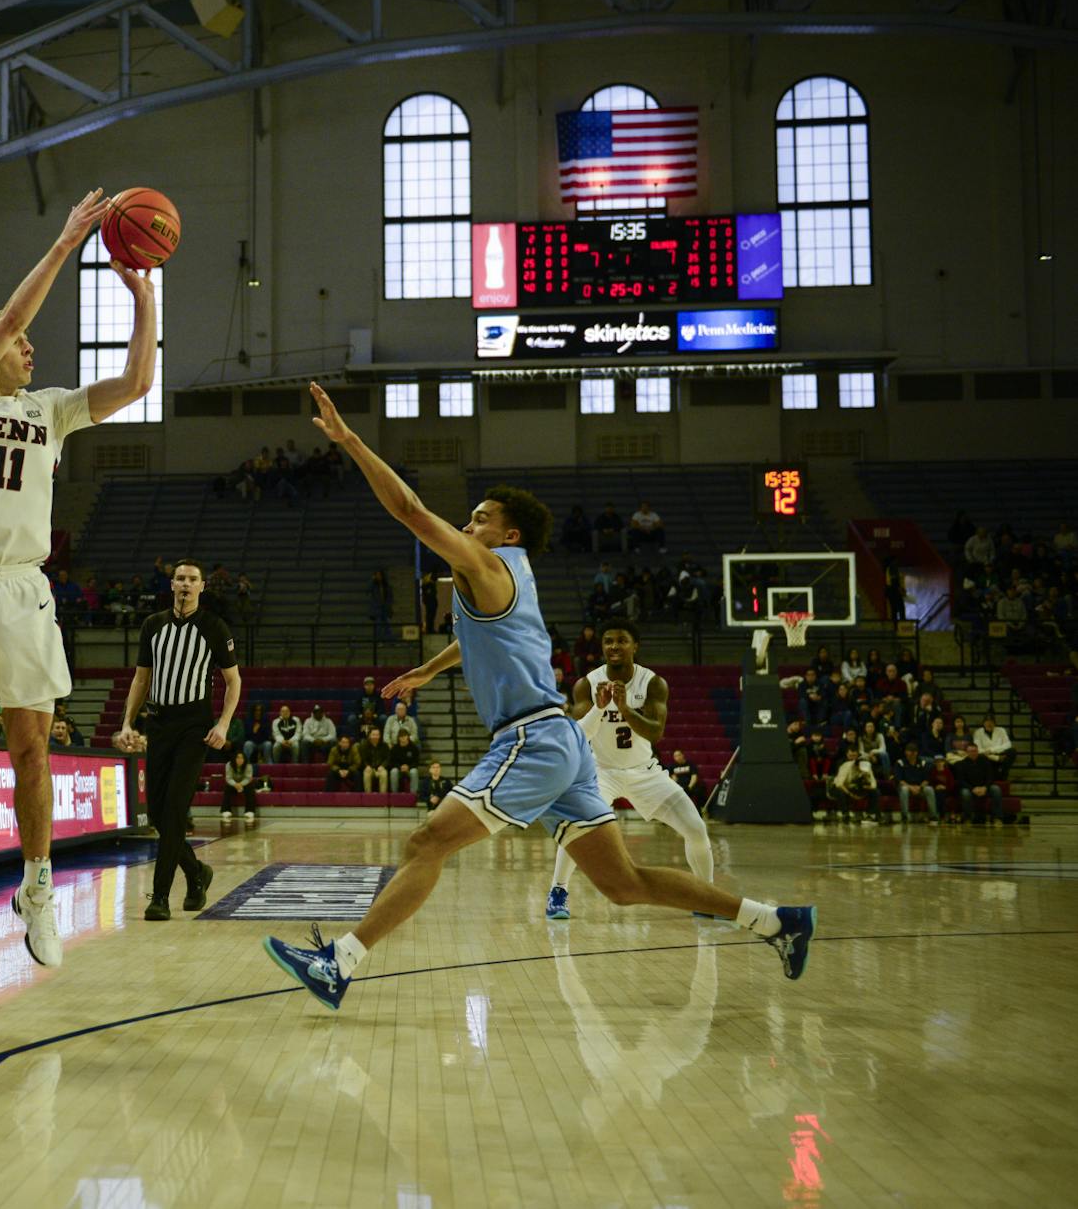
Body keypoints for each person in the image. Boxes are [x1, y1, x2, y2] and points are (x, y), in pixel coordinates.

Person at [262, 386, 815, 1011]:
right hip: (566, 743)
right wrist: (430, 668)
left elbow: (413, 512)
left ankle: (339, 962)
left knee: (427, 843)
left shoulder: (489, 564)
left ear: (508, 532)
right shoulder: (514, 578)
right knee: (624, 884)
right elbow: (494, 640)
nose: (469, 525)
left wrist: (351, 442)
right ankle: (776, 921)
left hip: (532, 738)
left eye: (479, 517)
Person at [0, 188, 157, 978]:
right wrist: (65, 244)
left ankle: (37, 889)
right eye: (21, 346)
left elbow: (136, 383)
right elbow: (11, 321)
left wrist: (144, 298)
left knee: (32, 747)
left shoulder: (50, 409)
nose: (31, 353)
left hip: (22, 588)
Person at [541, 621, 716, 919]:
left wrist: (624, 709)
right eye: (608, 641)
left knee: (696, 828)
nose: (614, 647)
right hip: (600, 772)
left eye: (622, 641)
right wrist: (600, 708)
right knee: (575, 829)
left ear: (635, 646)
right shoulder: (587, 683)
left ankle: (707, 896)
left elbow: (655, 732)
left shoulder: (653, 683)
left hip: (645, 773)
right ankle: (558, 892)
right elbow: (579, 735)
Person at [114, 559, 238, 920]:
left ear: (202, 587)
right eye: (180, 579)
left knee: (173, 811)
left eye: (193, 580)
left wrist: (224, 724)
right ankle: (196, 873)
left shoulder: (214, 626)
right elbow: (141, 679)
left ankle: (161, 897)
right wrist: (127, 722)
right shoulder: (153, 625)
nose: (186, 584)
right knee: (156, 813)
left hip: (193, 727)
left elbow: (234, 682)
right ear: (172, 585)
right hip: (158, 724)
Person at [220, 750, 262, 821]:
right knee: (227, 787)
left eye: (242, 758)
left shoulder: (248, 765)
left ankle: (250, 810)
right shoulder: (229, 765)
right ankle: (226, 810)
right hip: (233, 784)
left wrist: (240, 784)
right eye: (238, 758)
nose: (240, 760)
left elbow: (248, 778)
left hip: (244, 784)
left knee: (250, 787)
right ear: (234, 758)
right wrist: (235, 784)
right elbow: (228, 778)